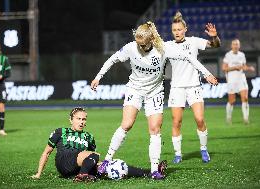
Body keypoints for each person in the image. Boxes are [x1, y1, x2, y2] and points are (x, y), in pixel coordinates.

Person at [91, 21, 218, 178]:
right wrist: (98, 77)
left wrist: (206, 74)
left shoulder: (163, 48)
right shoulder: (132, 47)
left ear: (151, 40)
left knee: (155, 129)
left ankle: (154, 170)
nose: (140, 47)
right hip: (135, 89)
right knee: (127, 124)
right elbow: (112, 59)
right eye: (138, 43)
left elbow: (188, 57)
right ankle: (106, 160)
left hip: (155, 92)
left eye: (143, 44)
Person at [31, 107, 168, 182]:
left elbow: (92, 160)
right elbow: (46, 152)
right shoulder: (60, 132)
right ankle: (82, 176)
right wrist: (38, 174)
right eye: (78, 119)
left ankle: (149, 172)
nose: (81, 122)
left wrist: (105, 165)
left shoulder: (88, 136)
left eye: (84, 119)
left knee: (113, 165)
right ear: (70, 120)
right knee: (94, 155)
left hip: (79, 164)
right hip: (64, 161)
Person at [165, 11, 220, 164]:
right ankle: (178, 154)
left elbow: (215, 45)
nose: (177, 32)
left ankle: (203, 149)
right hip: (176, 88)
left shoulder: (194, 41)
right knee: (176, 122)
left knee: (200, 119)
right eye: (174, 30)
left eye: (179, 29)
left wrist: (214, 36)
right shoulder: (167, 46)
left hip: (194, 86)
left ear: (185, 29)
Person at [222, 39, 255, 124]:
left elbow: (243, 67)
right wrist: (235, 67)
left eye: (237, 44)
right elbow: (224, 68)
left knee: (245, 98)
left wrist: (249, 68)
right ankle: (228, 118)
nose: (236, 46)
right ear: (231, 46)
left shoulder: (242, 55)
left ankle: (246, 118)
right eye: (234, 44)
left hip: (241, 79)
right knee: (232, 101)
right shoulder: (228, 55)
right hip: (232, 80)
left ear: (239, 46)